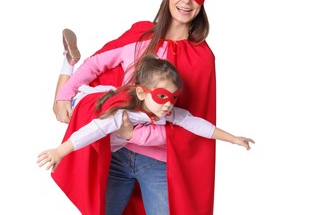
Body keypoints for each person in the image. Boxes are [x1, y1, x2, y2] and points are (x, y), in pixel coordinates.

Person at [49, 0, 251, 215]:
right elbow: (96, 64)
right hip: (117, 155)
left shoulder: (201, 58)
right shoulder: (141, 36)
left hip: (159, 162)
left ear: (203, 1)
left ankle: (67, 66)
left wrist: (133, 134)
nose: (186, 0)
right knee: (71, 108)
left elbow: (191, 128)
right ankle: (67, 65)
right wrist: (63, 96)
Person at [38, 55, 254, 174]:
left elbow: (193, 122)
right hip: (87, 102)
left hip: (111, 118)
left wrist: (233, 138)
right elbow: (93, 130)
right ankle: (68, 61)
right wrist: (59, 151)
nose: (169, 104)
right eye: (161, 96)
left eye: (174, 97)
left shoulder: (164, 110)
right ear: (142, 93)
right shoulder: (122, 113)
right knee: (63, 110)